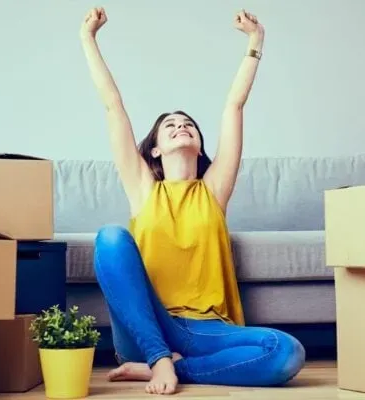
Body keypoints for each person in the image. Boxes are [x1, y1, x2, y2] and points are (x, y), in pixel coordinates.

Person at [80, 6, 306, 395]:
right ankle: (158, 358)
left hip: (206, 330)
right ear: (154, 151)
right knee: (111, 238)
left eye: (188, 124)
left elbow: (233, 106)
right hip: (148, 324)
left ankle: (172, 369)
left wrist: (256, 42)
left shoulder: (214, 189)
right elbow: (113, 106)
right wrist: (88, 39)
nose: (181, 126)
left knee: (285, 352)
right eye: (170, 125)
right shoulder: (143, 189)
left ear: (199, 145)